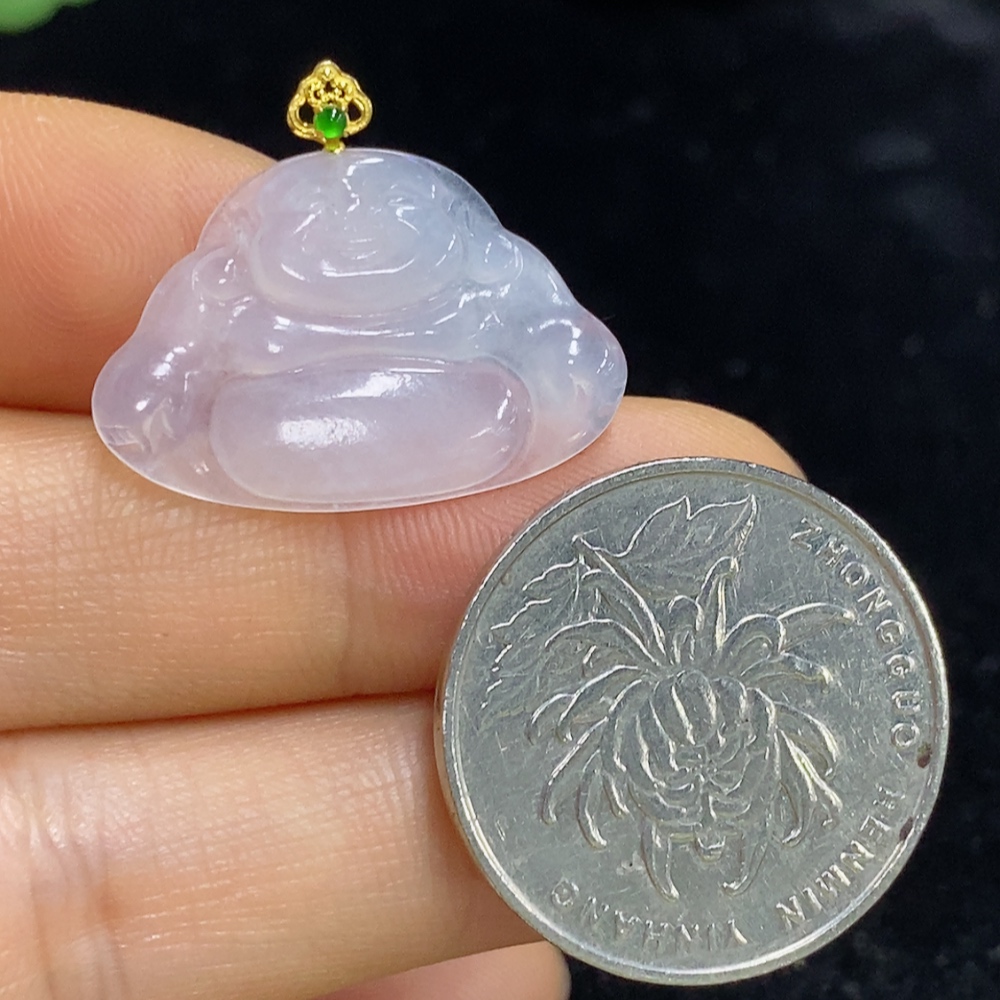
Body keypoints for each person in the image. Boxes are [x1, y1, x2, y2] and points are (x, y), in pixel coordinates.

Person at [0, 92, 800, 1000]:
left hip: (459, 403)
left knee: (485, 412)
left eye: (399, 215)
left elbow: (553, 329)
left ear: (443, 218)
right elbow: (165, 362)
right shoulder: (226, 284)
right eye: (317, 222)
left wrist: (563, 360)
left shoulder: (483, 271)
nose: (356, 235)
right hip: (277, 416)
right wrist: (160, 391)